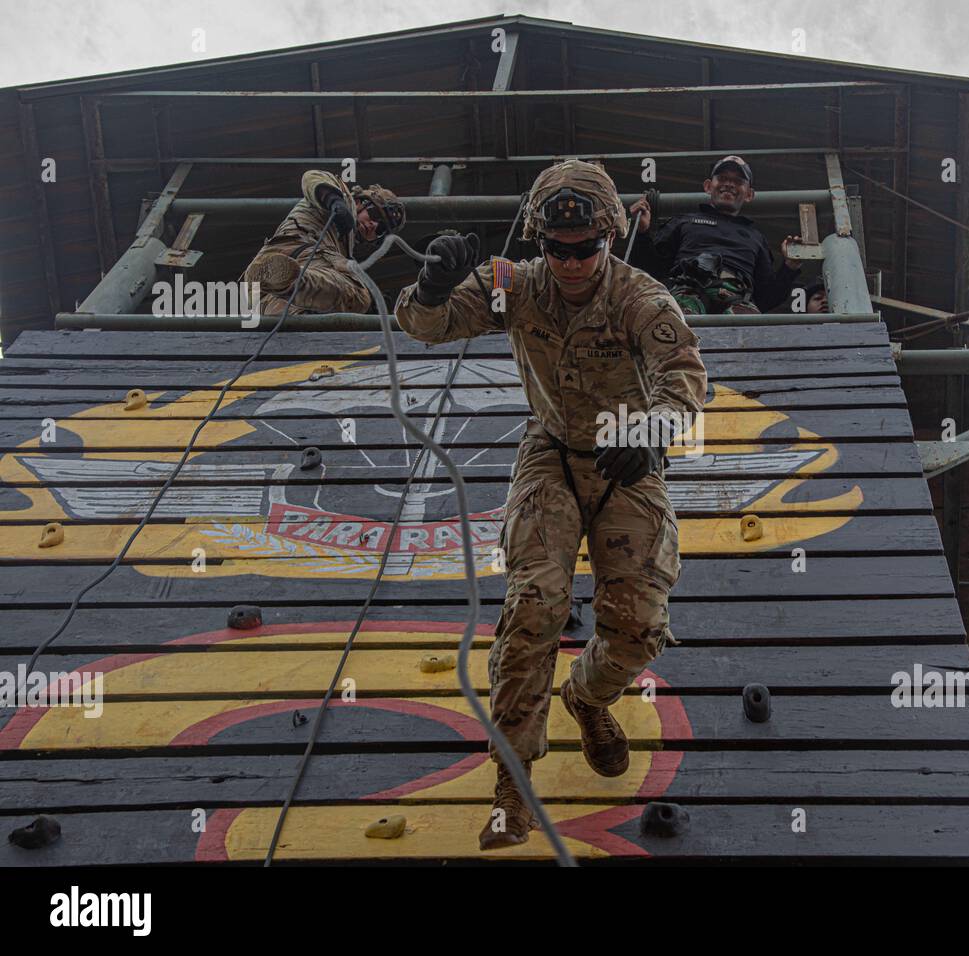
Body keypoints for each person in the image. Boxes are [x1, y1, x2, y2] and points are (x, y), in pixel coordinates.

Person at [392, 159, 707, 851]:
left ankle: (588, 699)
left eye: (585, 248)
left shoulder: (640, 298)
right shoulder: (514, 287)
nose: (569, 262)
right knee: (535, 603)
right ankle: (512, 784)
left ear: (609, 238)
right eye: (555, 249)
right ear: (539, 240)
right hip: (551, 454)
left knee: (637, 625)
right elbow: (427, 325)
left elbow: (682, 379)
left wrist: (650, 433)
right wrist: (434, 282)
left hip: (627, 460)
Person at [628, 155, 802, 315]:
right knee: (674, 319)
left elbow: (766, 298)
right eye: (723, 178)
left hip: (738, 298)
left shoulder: (756, 237)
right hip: (686, 291)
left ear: (749, 194)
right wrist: (642, 232)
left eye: (738, 181)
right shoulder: (683, 222)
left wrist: (790, 267)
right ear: (708, 186)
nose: (729, 184)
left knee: (750, 326)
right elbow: (650, 271)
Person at [240, 170, 405, 316]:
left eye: (381, 229)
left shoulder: (342, 246)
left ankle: (285, 285)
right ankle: (283, 275)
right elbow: (312, 177)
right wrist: (334, 200)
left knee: (295, 330)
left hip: (267, 296)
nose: (373, 225)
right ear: (360, 202)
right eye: (374, 214)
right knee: (359, 294)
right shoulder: (341, 199)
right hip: (296, 256)